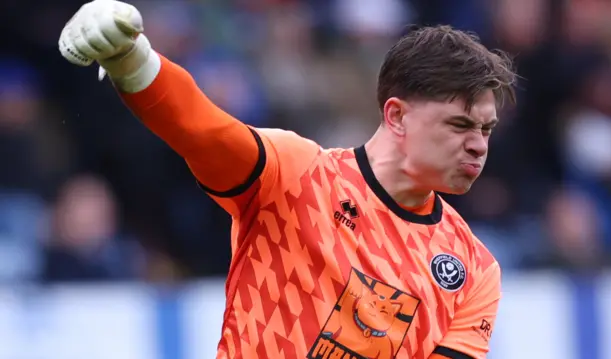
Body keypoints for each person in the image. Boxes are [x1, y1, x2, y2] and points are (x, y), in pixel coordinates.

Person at [58, 1, 517, 358]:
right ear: (396, 116)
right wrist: (132, 60)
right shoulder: (298, 174)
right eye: (460, 126)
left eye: (486, 130)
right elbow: (202, 129)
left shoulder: (474, 271)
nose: (479, 144)